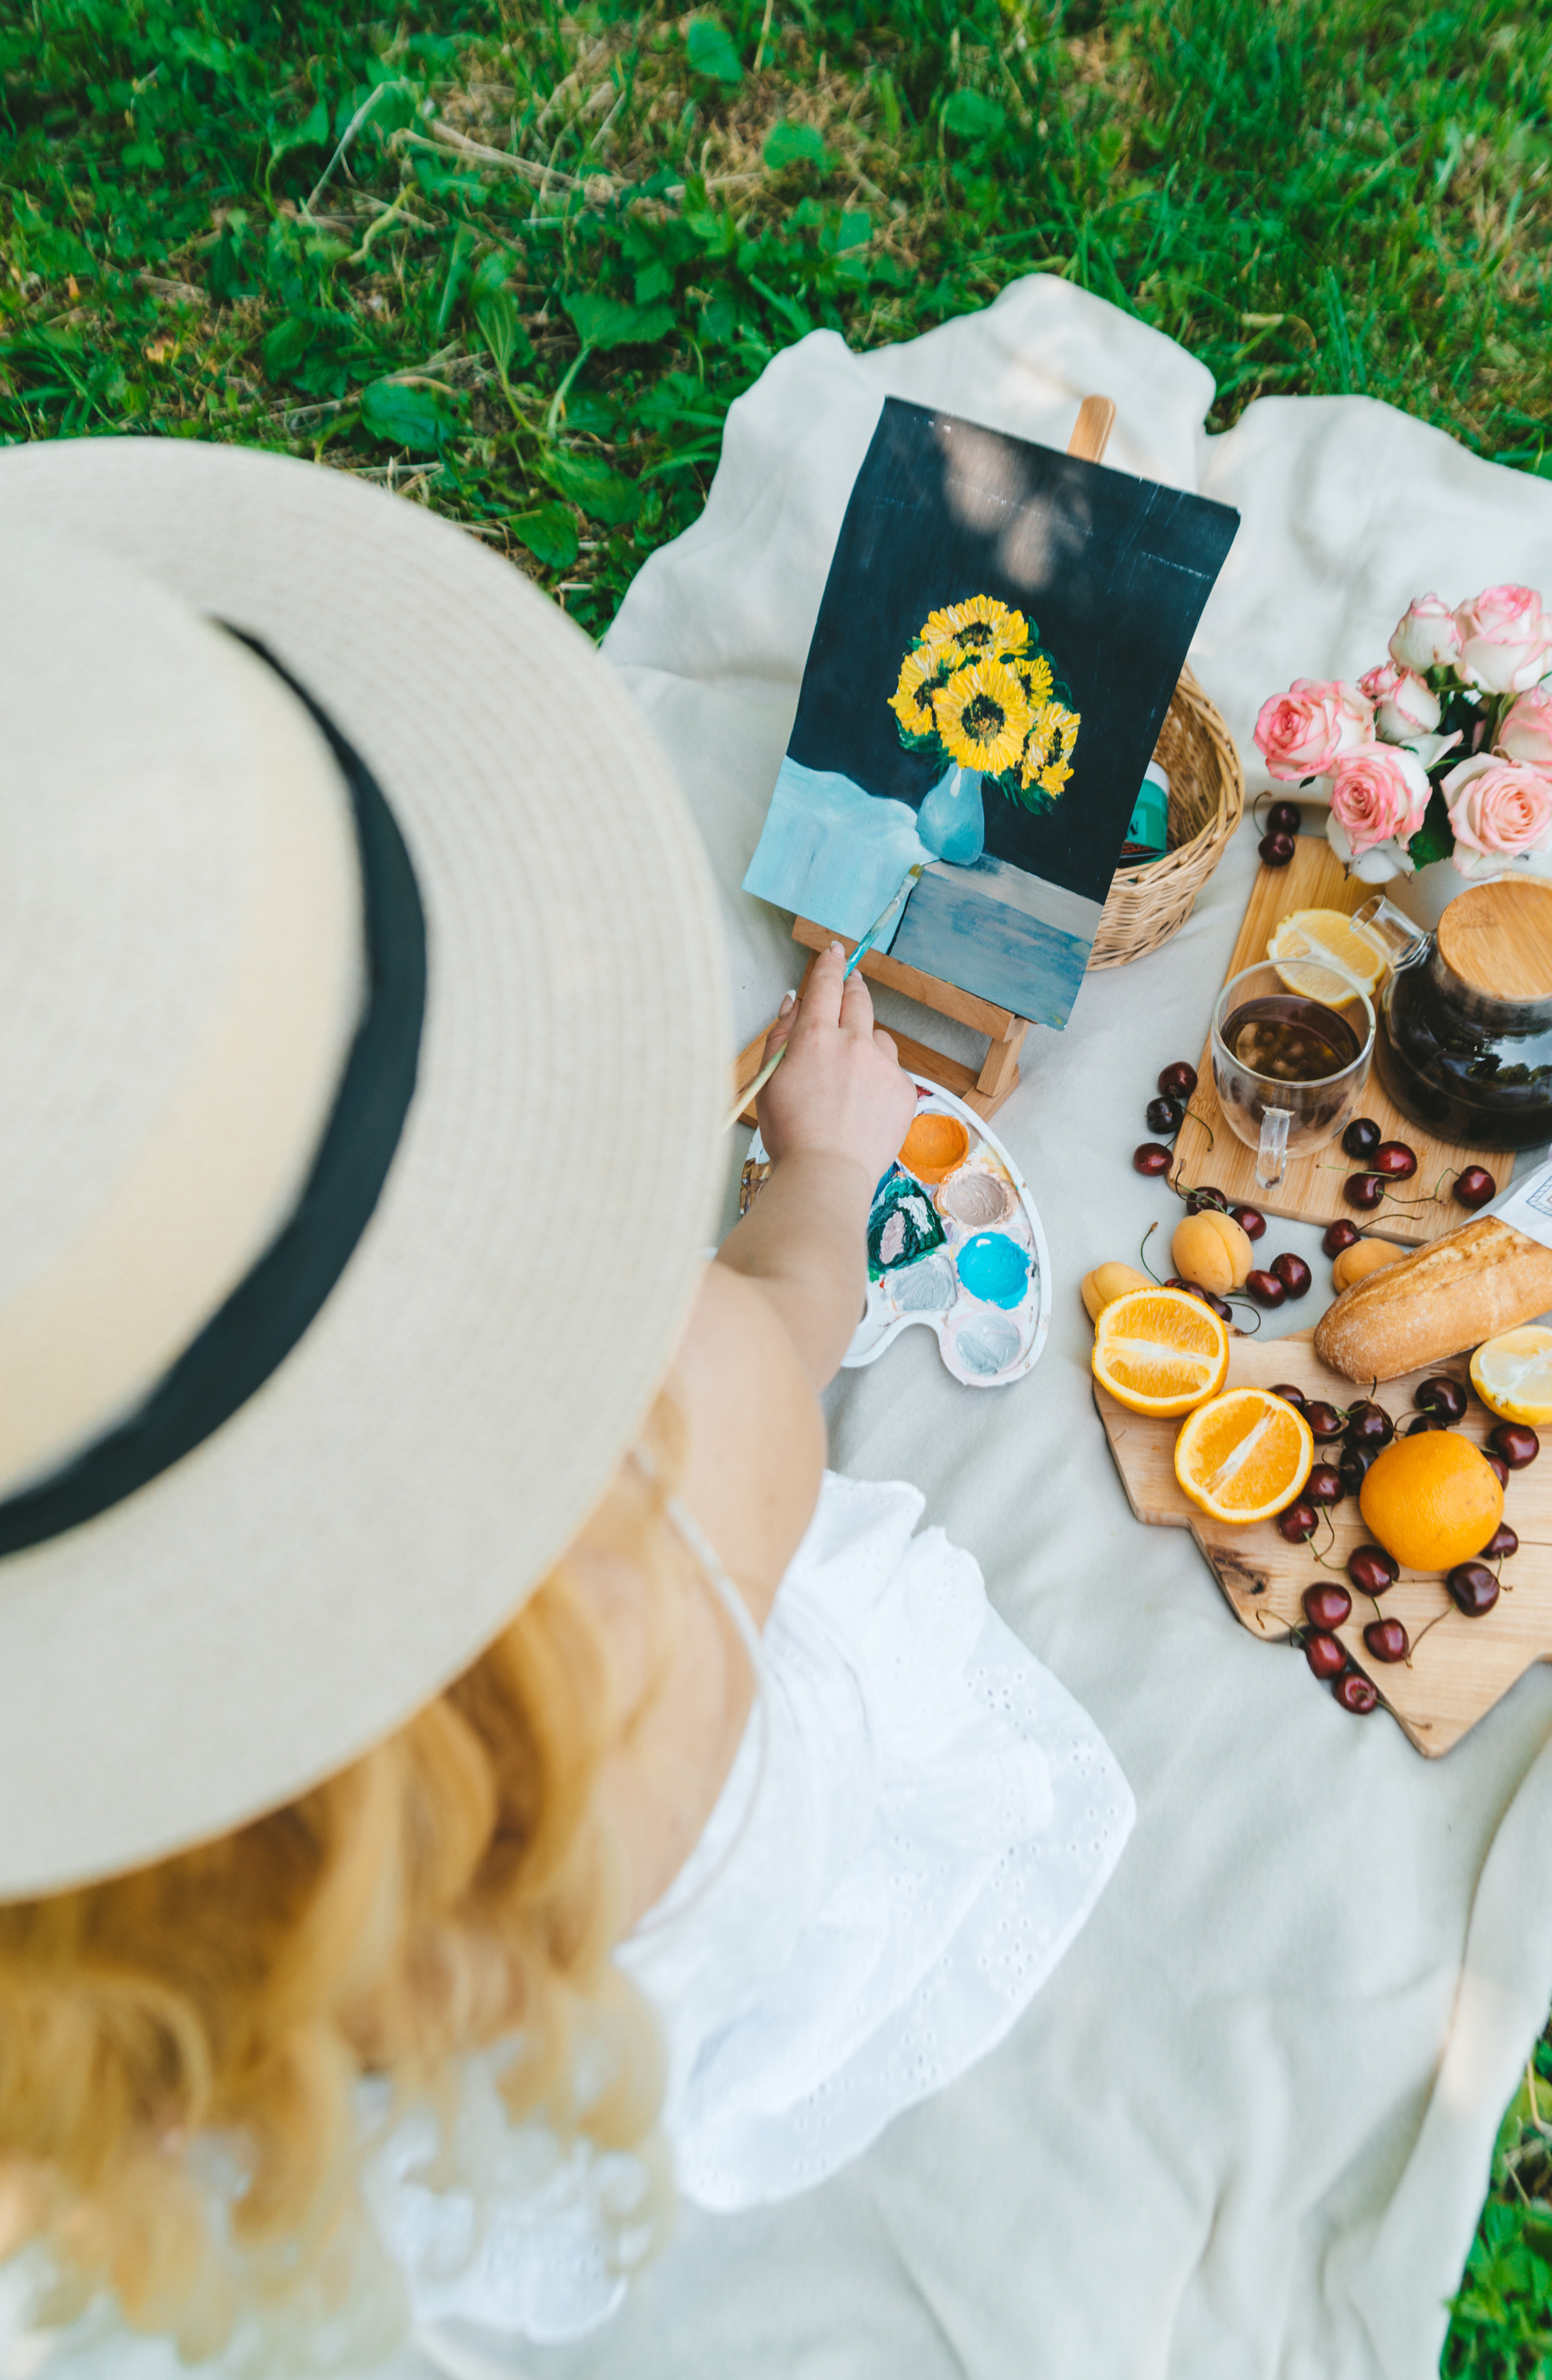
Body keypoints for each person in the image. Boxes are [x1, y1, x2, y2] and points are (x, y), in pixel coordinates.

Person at [0, 443, 1133, 2377]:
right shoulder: (677, 1492)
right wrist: (814, 1183)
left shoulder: (70, 1956)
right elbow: (793, 1312)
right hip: (606, 1918)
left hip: (196, 2053)